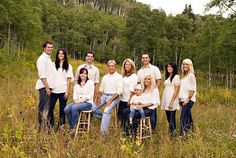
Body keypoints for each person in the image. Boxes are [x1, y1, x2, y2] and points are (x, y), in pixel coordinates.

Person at [92, 60, 123, 134]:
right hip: (104, 95)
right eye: (109, 66)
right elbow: (101, 88)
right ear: (107, 67)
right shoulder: (105, 77)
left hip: (114, 97)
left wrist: (110, 100)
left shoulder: (119, 77)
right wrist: (98, 96)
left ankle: (104, 133)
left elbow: (119, 92)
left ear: (115, 67)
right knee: (93, 108)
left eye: (112, 66)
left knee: (106, 111)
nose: (111, 67)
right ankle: (104, 118)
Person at [48, 48, 74, 130]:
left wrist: (67, 91)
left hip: (63, 90)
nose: (61, 55)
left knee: (62, 110)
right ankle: (51, 125)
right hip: (53, 91)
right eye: (59, 53)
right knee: (50, 108)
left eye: (62, 53)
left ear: (65, 55)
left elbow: (69, 80)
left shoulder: (68, 66)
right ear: (57, 55)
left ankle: (60, 126)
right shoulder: (53, 64)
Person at [137, 52, 162, 131]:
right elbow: (138, 83)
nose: (145, 59)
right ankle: (142, 129)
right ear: (141, 59)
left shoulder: (154, 68)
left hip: (151, 94)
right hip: (143, 94)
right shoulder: (139, 71)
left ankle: (152, 130)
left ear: (149, 59)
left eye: (146, 57)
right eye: (143, 58)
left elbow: (159, 80)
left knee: (153, 115)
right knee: (141, 113)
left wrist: (154, 91)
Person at [35, 41, 54, 131]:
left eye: (51, 47)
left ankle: (45, 127)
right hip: (44, 87)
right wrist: (47, 87)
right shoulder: (42, 59)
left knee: (47, 107)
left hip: (48, 87)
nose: (50, 49)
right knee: (43, 107)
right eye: (48, 47)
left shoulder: (48, 59)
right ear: (44, 48)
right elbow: (42, 75)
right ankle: (41, 128)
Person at [161, 62, 180, 136]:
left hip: (172, 100)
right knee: (169, 118)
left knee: (172, 118)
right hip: (166, 99)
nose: (169, 68)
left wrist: (172, 102)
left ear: (174, 68)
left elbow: (176, 90)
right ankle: (172, 132)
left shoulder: (176, 77)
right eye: (168, 67)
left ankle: (172, 134)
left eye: (171, 67)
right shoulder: (168, 76)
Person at [118, 59, 137, 133]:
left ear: (132, 66)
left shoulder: (134, 76)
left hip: (129, 100)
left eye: (129, 64)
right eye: (126, 64)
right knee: (120, 115)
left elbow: (133, 90)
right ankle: (124, 131)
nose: (127, 66)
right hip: (122, 99)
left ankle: (129, 132)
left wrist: (130, 99)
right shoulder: (123, 75)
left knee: (128, 116)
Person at [179, 59, 196, 136]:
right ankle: (191, 133)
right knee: (188, 117)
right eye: (183, 64)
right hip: (183, 100)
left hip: (188, 100)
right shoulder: (185, 76)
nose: (185, 66)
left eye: (187, 64)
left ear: (190, 66)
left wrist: (187, 99)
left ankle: (183, 135)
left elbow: (192, 89)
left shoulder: (191, 75)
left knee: (183, 118)